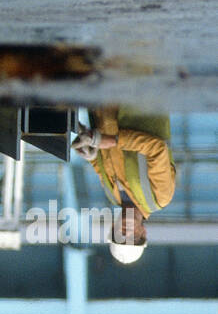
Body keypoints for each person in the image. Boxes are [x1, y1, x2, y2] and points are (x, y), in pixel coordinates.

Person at [72, 107, 176, 264]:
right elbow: (157, 149)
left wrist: (91, 155)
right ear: (143, 233)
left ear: (113, 228)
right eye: (133, 237)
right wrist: (111, 140)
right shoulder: (160, 196)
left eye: (120, 237)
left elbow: (103, 162)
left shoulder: (113, 195)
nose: (127, 233)